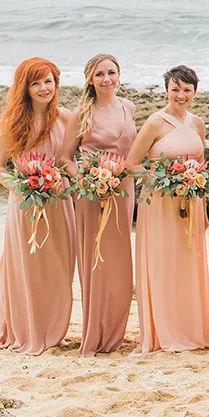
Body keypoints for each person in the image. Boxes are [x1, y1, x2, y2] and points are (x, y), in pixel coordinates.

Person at [0, 58, 79, 355]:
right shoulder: (13, 122)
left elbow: (69, 161)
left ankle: (54, 329)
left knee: (60, 266)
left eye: (48, 81)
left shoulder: (66, 118)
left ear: (56, 84)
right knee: (29, 266)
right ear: (24, 87)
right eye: (35, 83)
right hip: (26, 205)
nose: (43, 88)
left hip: (59, 204)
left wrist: (78, 180)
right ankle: (28, 327)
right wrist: (22, 186)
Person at [126, 65, 209, 353]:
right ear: (166, 90)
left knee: (188, 263)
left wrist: (193, 190)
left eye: (187, 90)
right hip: (161, 202)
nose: (181, 95)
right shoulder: (155, 122)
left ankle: (190, 328)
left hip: (190, 200)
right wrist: (165, 181)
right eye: (175, 89)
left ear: (195, 92)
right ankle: (164, 331)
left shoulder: (197, 123)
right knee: (164, 263)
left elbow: (200, 162)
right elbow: (132, 164)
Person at [71, 52, 136, 356]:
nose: (106, 79)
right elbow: (64, 158)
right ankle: (94, 334)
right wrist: (88, 179)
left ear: (119, 75)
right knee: (96, 262)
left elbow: (134, 153)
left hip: (122, 191)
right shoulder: (80, 113)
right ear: (90, 79)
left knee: (120, 262)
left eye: (111, 72)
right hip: (92, 194)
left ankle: (116, 334)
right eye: (99, 74)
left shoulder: (129, 107)